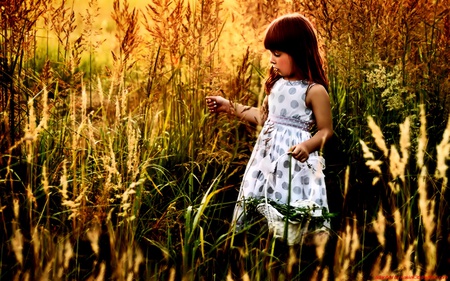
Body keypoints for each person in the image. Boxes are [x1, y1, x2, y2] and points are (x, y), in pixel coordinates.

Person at [206, 13, 333, 243]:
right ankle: (261, 247)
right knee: (261, 202)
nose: (271, 61)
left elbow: (326, 131)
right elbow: (263, 118)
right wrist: (228, 106)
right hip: (266, 159)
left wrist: (307, 145)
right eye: (270, 54)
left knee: (292, 208)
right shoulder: (276, 85)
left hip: (294, 162)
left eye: (277, 54)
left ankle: (296, 255)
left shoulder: (314, 91)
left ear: (298, 51)